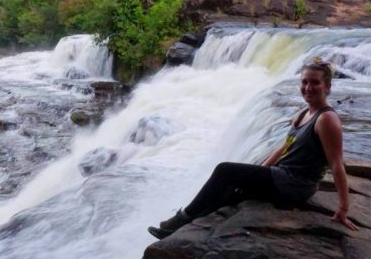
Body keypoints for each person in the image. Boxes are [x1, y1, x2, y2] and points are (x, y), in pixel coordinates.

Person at [147, 59, 358, 239]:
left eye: (315, 83)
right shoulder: (304, 113)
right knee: (232, 193)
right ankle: (183, 231)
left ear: (327, 87)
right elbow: (284, 148)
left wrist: (343, 208)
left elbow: (336, 164)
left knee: (224, 171)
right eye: (304, 82)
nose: (308, 88)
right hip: (281, 177)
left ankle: (181, 219)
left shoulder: (327, 119)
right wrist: (258, 170)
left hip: (295, 185)